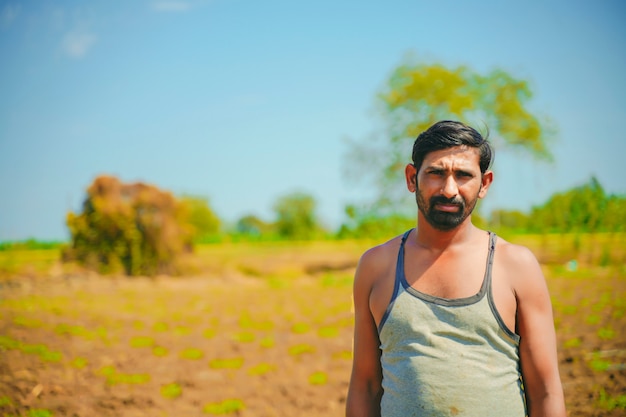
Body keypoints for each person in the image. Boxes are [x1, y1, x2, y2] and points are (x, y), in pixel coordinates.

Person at [346, 120, 566, 417]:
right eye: (436, 173)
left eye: (463, 175)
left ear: (484, 184)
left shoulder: (515, 265)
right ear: (412, 178)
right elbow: (365, 385)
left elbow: (546, 390)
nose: (449, 189)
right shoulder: (377, 266)